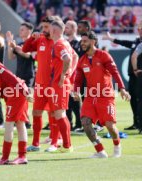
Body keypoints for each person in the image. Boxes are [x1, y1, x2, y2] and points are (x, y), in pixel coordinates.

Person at [73, 31, 131, 158]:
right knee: (85, 123)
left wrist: (122, 88)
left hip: (105, 96)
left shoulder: (104, 56)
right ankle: (100, 150)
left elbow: (115, 72)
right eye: (81, 41)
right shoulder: (82, 60)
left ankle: (117, 146)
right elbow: (78, 79)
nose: (82, 43)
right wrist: (76, 90)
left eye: (85, 41)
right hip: (90, 97)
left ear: (93, 42)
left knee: (110, 125)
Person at [102, 23, 142, 130]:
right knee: (133, 98)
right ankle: (136, 122)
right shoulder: (136, 41)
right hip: (132, 75)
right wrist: (111, 39)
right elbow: (124, 43)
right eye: (141, 28)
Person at [22, 16, 60, 152]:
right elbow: (25, 49)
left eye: (46, 27)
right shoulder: (40, 40)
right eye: (42, 27)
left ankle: (54, 143)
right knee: (36, 113)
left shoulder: (59, 42)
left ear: (53, 28)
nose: (43, 30)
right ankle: (36, 143)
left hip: (53, 85)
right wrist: (32, 38)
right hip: (40, 85)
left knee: (54, 114)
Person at [48, 19, 78, 152]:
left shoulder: (59, 44)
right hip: (62, 83)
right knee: (61, 114)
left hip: (59, 84)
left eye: (49, 28)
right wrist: (69, 73)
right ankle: (66, 143)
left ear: (53, 30)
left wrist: (63, 75)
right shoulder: (66, 42)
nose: (48, 31)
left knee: (59, 114)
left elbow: (68, 59)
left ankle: (67, 145)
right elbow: (75, 56)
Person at [64, 20, 82, 131]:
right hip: (67, 75)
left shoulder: (79, 43)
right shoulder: (65, 42)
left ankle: (79, 123)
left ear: (74, 29)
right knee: (66, 101)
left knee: (75, 100)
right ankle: (69, 123)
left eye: (68, 27)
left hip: (75, 76)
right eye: (65, 27)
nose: (65, 29)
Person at [6, 22, 35, 88]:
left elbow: (28, 55)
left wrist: (14, 47)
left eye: (22, 30)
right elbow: (11, 57)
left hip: (28, 76)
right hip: (19, 74)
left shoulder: (33, 43)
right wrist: (9, 43)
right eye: (20, 30)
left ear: (29, 31)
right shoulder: (20, 44)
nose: (20, 31)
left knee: (27, 96)